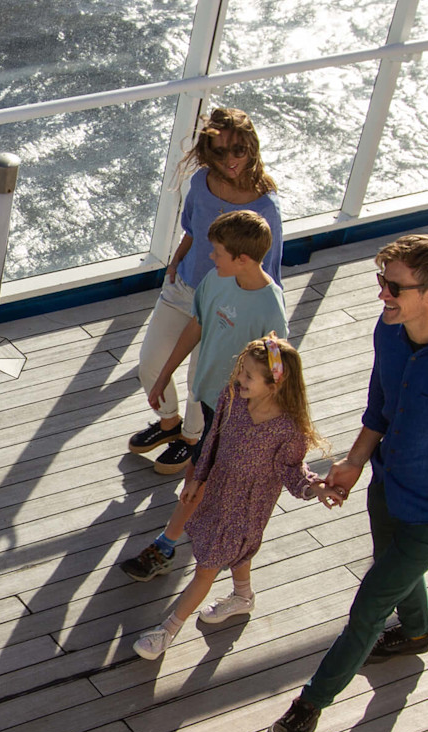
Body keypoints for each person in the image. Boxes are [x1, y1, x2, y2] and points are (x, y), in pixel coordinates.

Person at [268, 233, 428, 732]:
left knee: (369, 604)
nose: (382, 294)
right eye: (381, 282)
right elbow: (381, 409)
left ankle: (309, 704)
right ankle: (415, 633)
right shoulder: (389, 331)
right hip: (388, 485)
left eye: (394, 286)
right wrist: (354, 462)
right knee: (394, 568)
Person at [133, 334, 334, 659]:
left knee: (206, 568)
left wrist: (316, 487)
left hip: (246, 510)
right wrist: (197, 478)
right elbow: (212, 439)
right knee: (236, 554)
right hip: (217, 493)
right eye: (241, 370)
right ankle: (243, 596)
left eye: (248, 376)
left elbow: (292, 470)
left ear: (274, 384)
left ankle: (166, 630)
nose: (239, 378)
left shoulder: (288, 430)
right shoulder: (232, 399)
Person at [121, 208, 290, 580]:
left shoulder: (270, 308)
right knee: (200, 478)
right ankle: (199, 552)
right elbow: (197, 325)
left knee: (200, 477)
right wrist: (164, 375)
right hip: (210, 399)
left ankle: (169, 546)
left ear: (242, 259)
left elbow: (278, 373)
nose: (209, 257)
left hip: (238, 413)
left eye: (217, 251)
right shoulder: (216, 279)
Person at [130, 108, 284, 475]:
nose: (230, 160)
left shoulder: (266, 207)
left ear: (253, 148)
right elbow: (193, 229)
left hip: (225, 306)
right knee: (151, 362)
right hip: (183, 288)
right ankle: (169, 423)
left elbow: (269, 270)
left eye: (239, 150)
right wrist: (176, 260)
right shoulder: (200, 182)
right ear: (207, 152)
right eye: (219, 152)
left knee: (202, 377)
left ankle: (192, 439)